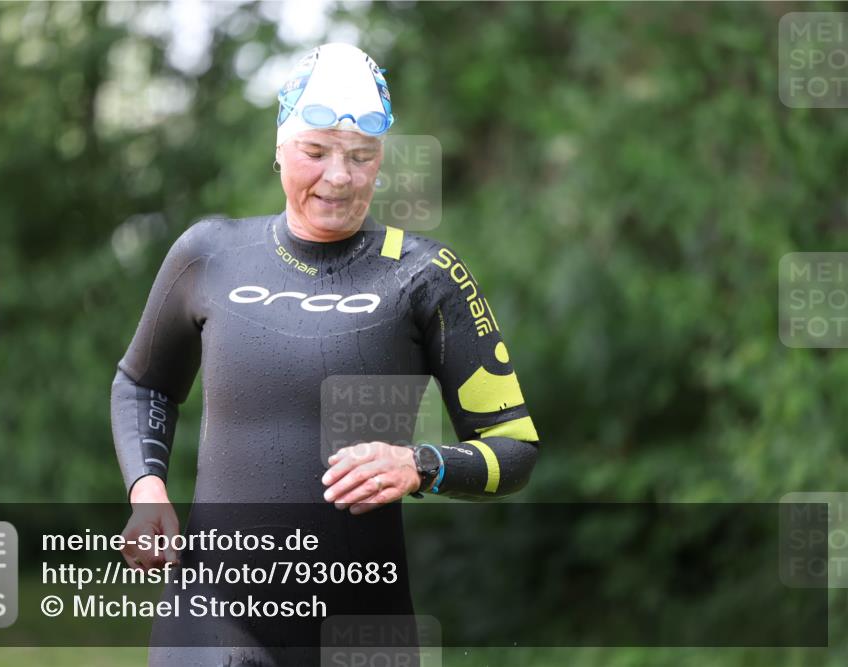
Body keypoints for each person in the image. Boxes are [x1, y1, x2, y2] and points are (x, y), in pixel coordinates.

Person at [111, 42, 541, 667]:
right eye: (315, 152)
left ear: (380, 160)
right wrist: (147, 489)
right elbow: (142, 383)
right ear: (280, 147)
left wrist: (421, 465)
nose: (338, 177)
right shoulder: (211, 254)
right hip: (210, 620)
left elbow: (515, 448)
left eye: (361, 156)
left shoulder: (425, 274)